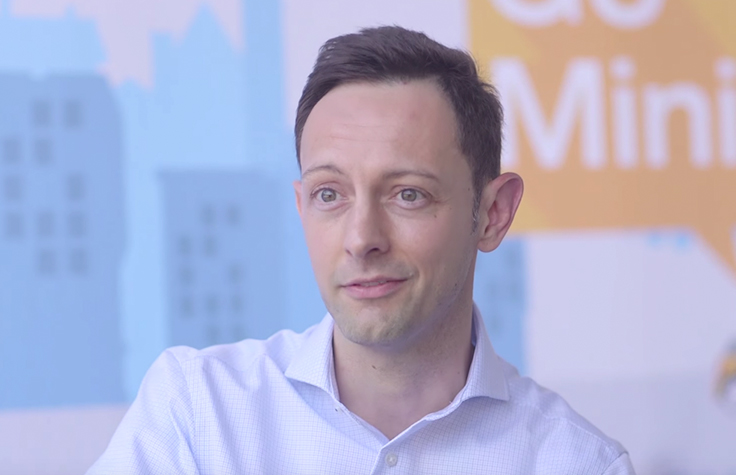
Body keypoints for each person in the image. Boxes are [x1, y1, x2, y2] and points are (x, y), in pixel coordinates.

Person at [88, 26, 635, 474]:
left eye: (408, 194)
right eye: (330, 194)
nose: (361, 238)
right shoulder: (197, 412)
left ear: (492, 214)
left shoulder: (576, 463)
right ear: (301, 207)